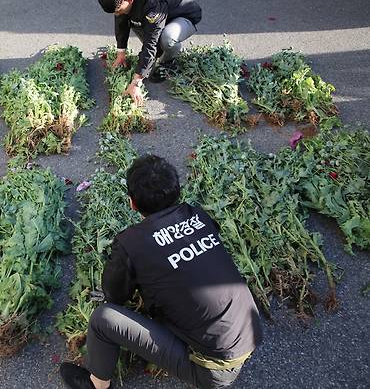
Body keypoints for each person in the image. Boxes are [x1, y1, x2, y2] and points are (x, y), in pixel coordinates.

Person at [59, 155, 262, 389]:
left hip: (212, 369)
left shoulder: (131, 242)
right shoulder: (198, 215)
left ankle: (97, 385)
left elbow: (115, 296)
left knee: (103, 319)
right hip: (250, 333)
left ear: (132, 203)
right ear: (177, 191)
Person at [98, 0, 202, 105]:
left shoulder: (153, 3)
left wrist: (136, 83)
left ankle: (168, 62)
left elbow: (150, 42)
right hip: (162, 11)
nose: (116, 14)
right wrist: (121, 53)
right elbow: (121, 23)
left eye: (117, 10)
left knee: (166, 39)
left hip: (183, 15)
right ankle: (159, 54)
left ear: (128, 1)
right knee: (132, 19)